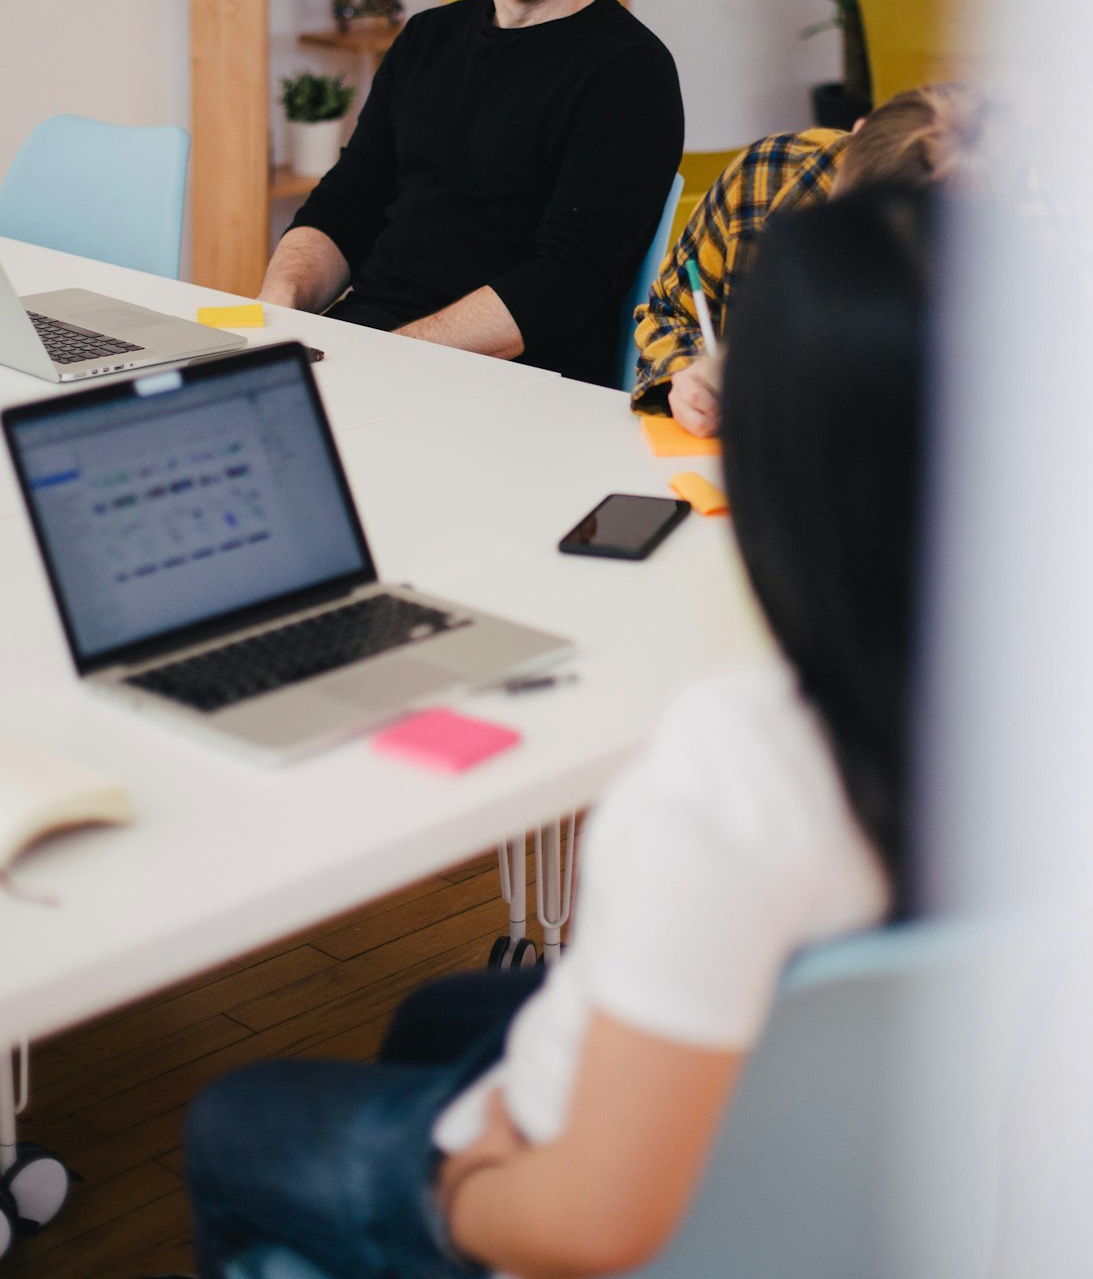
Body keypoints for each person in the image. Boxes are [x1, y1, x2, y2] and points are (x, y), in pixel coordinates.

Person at [180, 184, 935, 1279]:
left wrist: (463, 1187)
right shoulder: (1060, 715)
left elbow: (595, 1224)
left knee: (234, 1116)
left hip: (577, 1182)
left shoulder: (737, 764)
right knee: (439, 1013)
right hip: (844, 1146)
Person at [260, 0, 684, 386]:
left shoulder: (631, 71)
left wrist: (384, 353)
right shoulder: (426, 38)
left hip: (510, 385)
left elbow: (565, 280)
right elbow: (346, 204)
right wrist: (275, 311)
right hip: (370, 354)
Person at [634, 81, 979, 435]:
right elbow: (669, 311)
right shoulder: (766, 176)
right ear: (856, 134)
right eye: (844, 218)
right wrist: (686, 375)